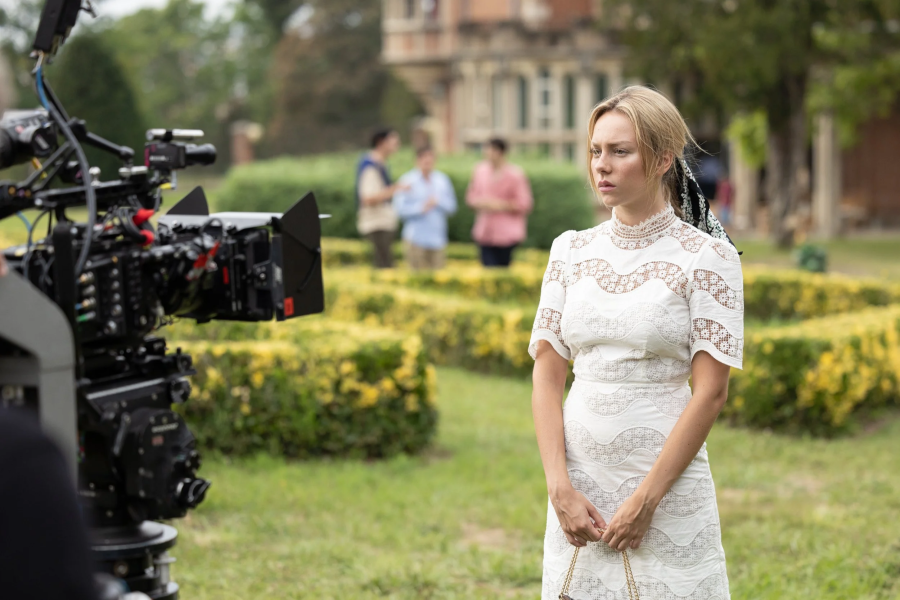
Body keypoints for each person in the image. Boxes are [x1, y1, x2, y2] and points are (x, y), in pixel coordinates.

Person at [529, 86, 743, 599]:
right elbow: (547, 372)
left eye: (620, 152)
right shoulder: (569, 250)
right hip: (577, 491)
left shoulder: (708, 258)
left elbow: (711, 392)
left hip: (666, 491)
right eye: (596, 151)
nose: (602, 165)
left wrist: (647, 501)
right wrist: (559, 487)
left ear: (663, 158)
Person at [465, 138, 533, 267]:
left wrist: (500, 205)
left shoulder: (515, 174)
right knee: (487, 271)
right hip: (485, 231)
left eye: (490, 150)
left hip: (507, 233)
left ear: (500, 152)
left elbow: (525, 203)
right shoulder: (480, 171)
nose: (487, 154)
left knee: (503, 270)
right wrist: (481, 203)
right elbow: (470, 197)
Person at [393, 146, 457, 270]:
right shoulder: (407, 180)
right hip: (416, 239)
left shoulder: (442, 180)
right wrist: (420, 208)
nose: (428, 162)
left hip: (438, 239)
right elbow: (399, 210)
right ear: (417, 160)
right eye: (424, 159)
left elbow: (452, 207)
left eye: (431, 159)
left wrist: (438, 202)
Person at [356, 127, 408, 269]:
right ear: (381, 142)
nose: (397, 145)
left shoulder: (381, 164)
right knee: (384, 266)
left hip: (383, 221)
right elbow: (367, 198)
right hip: (376, 223)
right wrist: (395, 189)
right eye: (393, 141)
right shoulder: (370, 166)